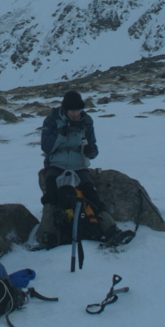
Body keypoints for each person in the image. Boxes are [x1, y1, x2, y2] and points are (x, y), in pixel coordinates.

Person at [37, 91, 127, 248]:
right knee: (51, 195)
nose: (76, 114)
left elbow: (93, 144)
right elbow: (46, 147)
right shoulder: (52, 120)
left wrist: (92, 151)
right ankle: (48, 234)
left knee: (91, 193)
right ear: (65, 109)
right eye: (72, 111)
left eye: (78, 110)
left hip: (79, 165)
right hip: (56, 164)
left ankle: (111, 230)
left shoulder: (87, 121)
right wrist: (61, 134)